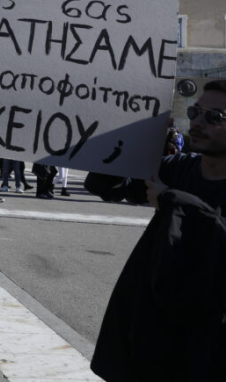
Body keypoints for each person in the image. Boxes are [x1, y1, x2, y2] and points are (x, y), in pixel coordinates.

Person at [84, 80, 226, 381]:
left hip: (209, 332)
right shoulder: (178, 167)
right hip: (157, 322)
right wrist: (135, 143)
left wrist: (172, 201)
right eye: (196, 111)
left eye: (214, 117)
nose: (198, 122)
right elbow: (107, 187)